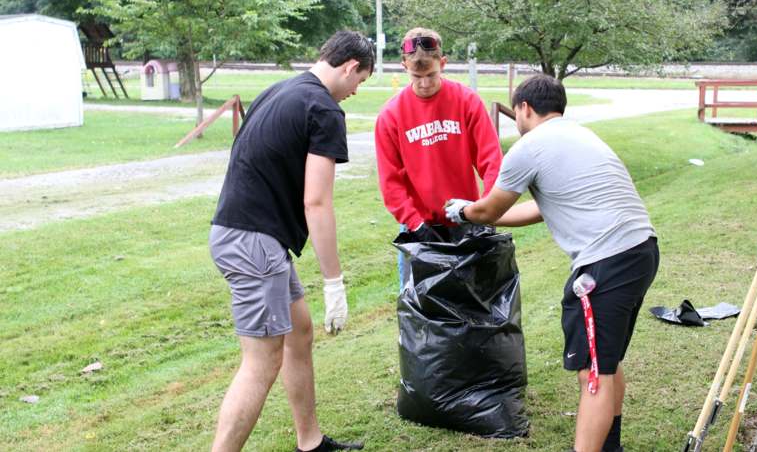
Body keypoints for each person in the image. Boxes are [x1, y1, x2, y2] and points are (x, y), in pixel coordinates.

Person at [445, 74, 659, 452]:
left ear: (524, 108)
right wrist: (484, 216)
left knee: (593, 373)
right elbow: (539, 209)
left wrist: (463, 210)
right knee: (605, 360)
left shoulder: (531, 146)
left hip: (605, 262)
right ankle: (610, 446)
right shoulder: (579, 136)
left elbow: (490, 206)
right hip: (641, 250)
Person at [208, 30, 374, 452]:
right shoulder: (323, 109)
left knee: (298, 331)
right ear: (350, 67)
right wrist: (333, 282)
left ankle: (310, 441)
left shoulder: (280, 90)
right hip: (253, 243)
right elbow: (316, 202)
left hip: (247, 235)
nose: (356, 91)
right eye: (361, 81)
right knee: (261, 361)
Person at [374, 27, 503, 289]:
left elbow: (491, 160)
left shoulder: (467, 102)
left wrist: (489, 208)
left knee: (475, 305)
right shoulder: (391, 116)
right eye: (416, 76)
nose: (424, 83)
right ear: (403, 67)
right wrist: (415, 223)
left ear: (442, 64)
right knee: (420, 315)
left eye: (431, 74)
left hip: (466, 221)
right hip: (419, 229)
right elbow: (391, 182)